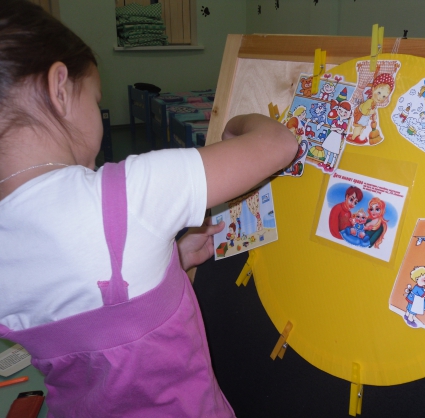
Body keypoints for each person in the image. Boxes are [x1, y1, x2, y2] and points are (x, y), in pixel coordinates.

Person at [0, 2, 298, 416]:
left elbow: (80, 303)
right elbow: (280, 145)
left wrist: (170, 260)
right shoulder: (130, 192)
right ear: (60, 88)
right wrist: (239, 122)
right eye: (96, 99)